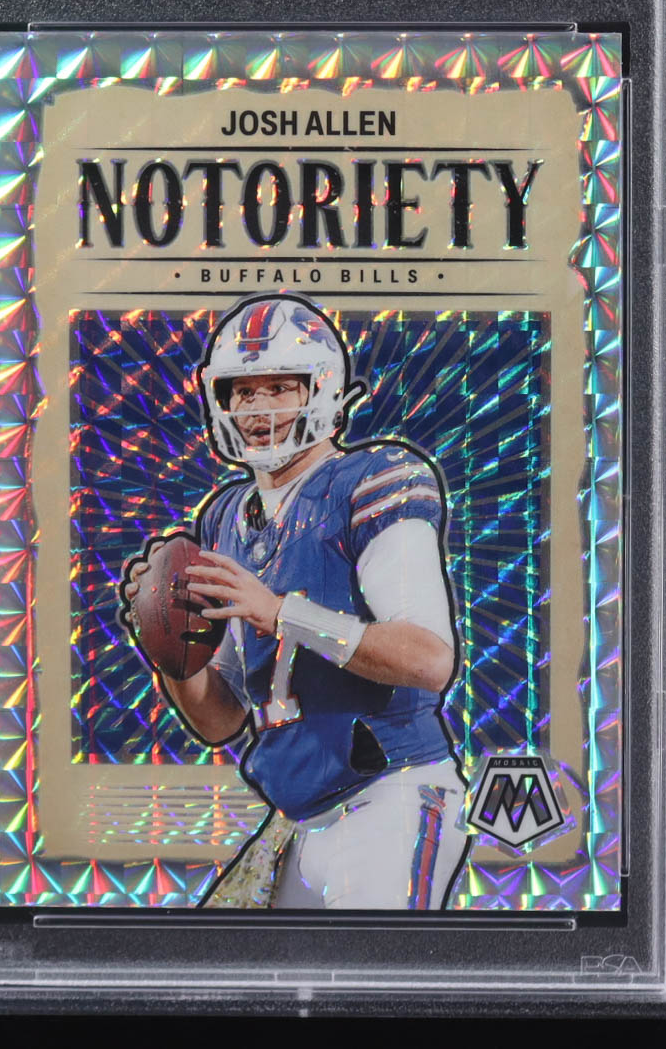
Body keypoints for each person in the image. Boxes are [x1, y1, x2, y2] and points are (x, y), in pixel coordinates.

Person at [125, 294, 469, 910]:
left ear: (325, 390)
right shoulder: (227, 516)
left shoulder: (374, 479)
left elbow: (428, 659)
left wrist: (281, 612)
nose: (257, 408)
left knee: (370, 968)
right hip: (297, 813)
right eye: (242, 391)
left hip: (389, 794)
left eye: (280, 387)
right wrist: (170, 651)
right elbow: (221, 719)